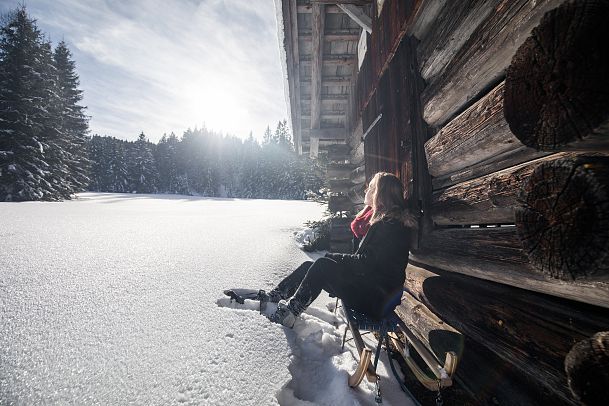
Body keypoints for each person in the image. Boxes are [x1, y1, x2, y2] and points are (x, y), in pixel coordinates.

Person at [264, 171, 416, 327]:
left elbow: (365, 263)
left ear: (380, 194)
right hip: (371, 290)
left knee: (322, 266)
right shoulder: (387, 222)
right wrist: (335, 259)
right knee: (311, 266)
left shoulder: (389, 226)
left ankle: (290, 313)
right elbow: (369, 262)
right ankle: (276, 295)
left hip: (375, 299)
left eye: (371, 188)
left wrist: (333, 258)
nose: (367, 191)